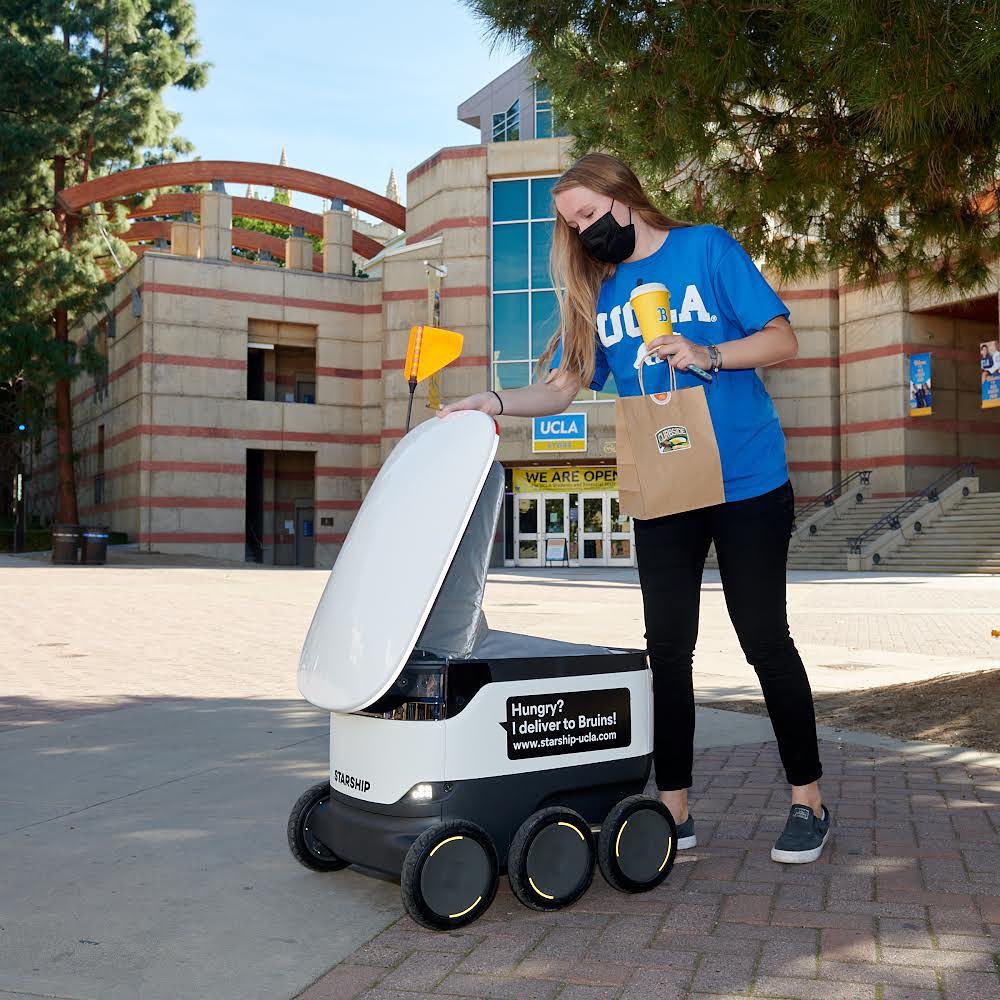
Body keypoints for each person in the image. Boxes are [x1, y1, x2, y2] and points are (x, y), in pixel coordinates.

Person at [440, 152, 830, 864]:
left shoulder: (706, 248)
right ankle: (672, 808)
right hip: (665, 486)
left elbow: (783, 338)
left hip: (748, 480)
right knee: (668, 652)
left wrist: (706, 352)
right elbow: (561, 391)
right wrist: (489, 401)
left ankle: (808, 798)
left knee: (764, 641)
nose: (584, 233)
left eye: (588, 215)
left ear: (624, 196)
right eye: (572, 225)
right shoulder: (601, 293)